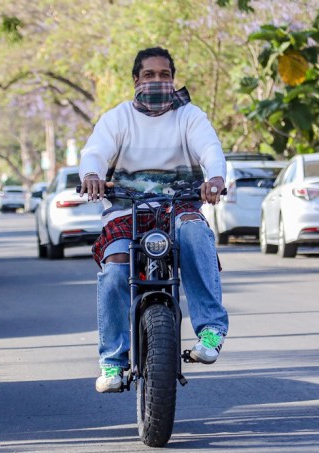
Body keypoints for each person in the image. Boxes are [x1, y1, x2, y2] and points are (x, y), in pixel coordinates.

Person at [79, 46, 229, 393]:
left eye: (165, 75)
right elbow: (95, 152)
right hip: (126, 210)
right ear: (136, 80)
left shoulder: (190, 116)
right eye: (150, 75)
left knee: (194, 232)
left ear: (173, 80)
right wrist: (91, 174)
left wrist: (216, 178)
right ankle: (113, 362)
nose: (158, 81)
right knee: (115, 265)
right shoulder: (117, 118)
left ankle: (211, 330)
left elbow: (210, 149)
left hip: (178, 206)